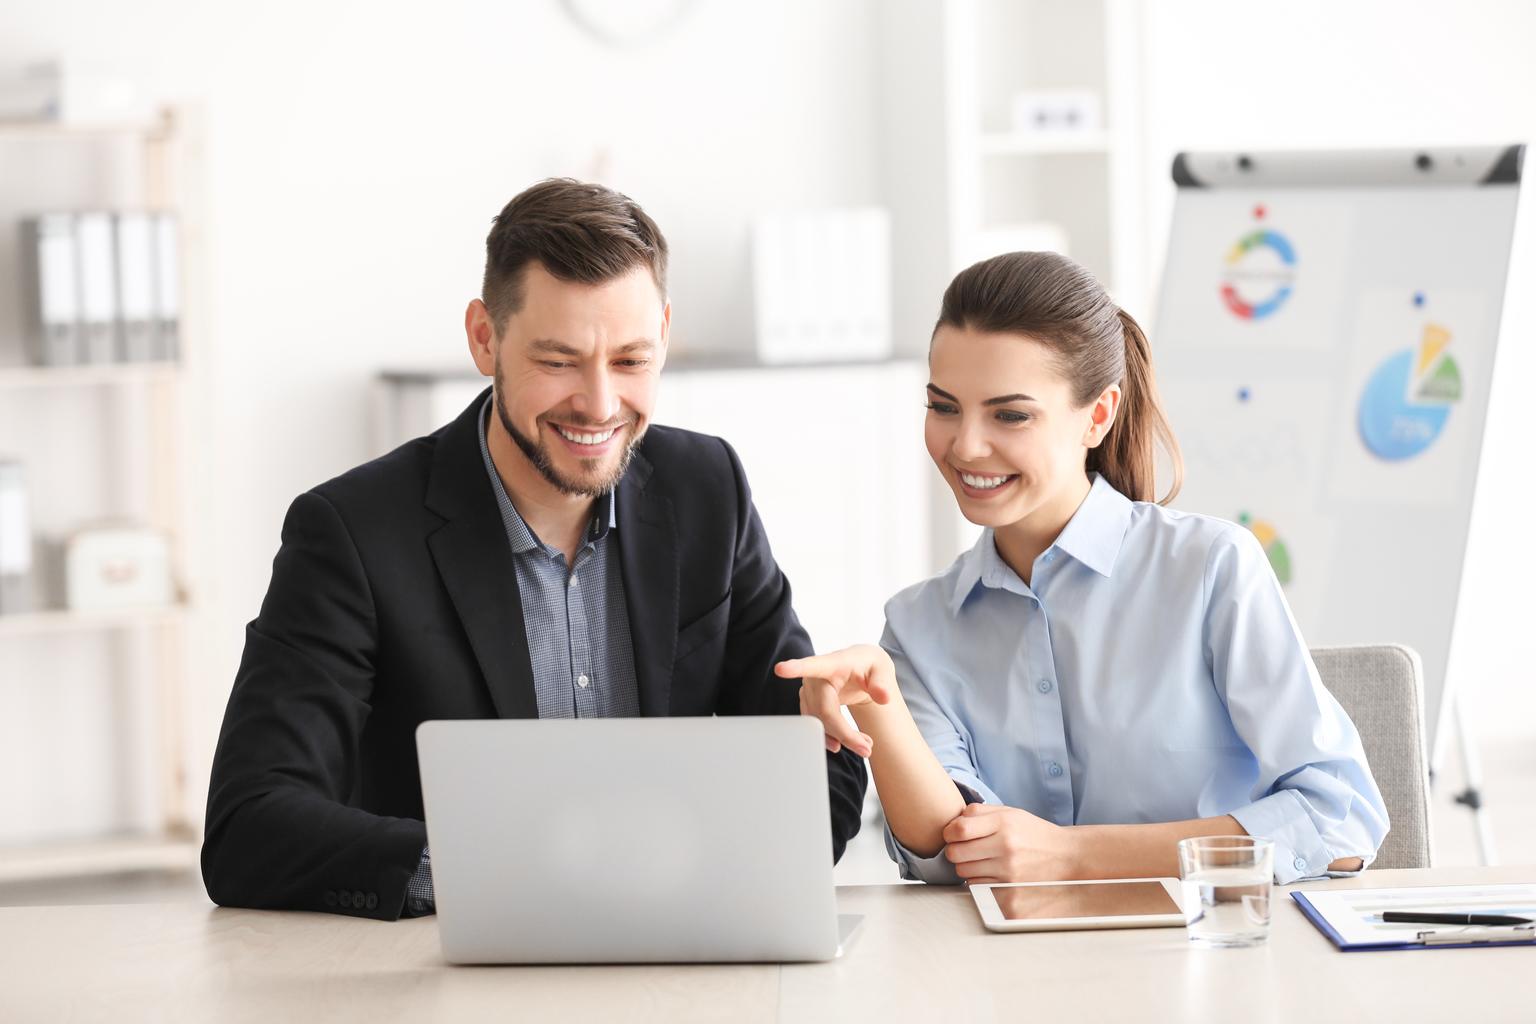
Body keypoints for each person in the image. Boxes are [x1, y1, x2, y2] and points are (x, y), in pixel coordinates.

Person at [202, 179, 867, 919]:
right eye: (559, 361)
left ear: (666, 335)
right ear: (485, 337)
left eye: (630, 360)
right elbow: (248, 826)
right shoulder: (352, 532)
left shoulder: (708, 489)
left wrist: (683, 865)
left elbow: (818, 773)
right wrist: (515, 871)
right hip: (452, 972)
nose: (600, 403)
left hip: (677, 950)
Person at [777, 251, 1386, 886]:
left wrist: (1073, 855)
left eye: (1010, 415)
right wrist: (880, 706)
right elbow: (948, 849)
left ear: (1098, 415)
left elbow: (1339, 820)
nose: (965, 445)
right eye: (944, 406)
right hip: (1006, 977)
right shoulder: (917, 624)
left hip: (1211, 957)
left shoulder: (1210, 569)